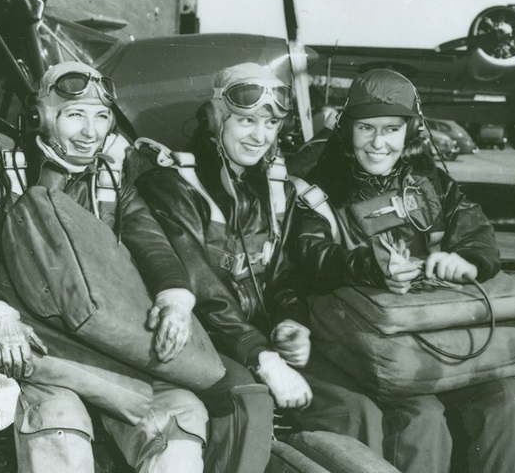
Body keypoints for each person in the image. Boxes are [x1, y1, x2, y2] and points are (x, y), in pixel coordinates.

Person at [0, 61, 208, 473]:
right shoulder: (3, 171)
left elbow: (151, 241)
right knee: (59, 419)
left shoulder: (111, 180)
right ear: (41, 118)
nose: (91, 132)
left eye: (102, 117)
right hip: (32, 346)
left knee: (181, 415)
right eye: (75, 115)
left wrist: (175, 298)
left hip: (106, 351)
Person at [136, 63, 388, 469]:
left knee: (357, 410)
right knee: (249, 406)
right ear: (216, 118)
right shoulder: (173, 184)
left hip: (260, 342)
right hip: (206, 341)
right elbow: (201, 285)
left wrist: (290, 321)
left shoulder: (273, 191)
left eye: (270, 123)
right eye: (247, 121)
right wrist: (263, 359)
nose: (260, 135)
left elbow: (282, 272)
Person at [282, 68, 515, 473]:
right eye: (366, 128)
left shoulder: (431, 184)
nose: (379, 143)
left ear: (410, 131)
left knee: (511, 399)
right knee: (421, 416)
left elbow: (476, 230)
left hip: (439, 342)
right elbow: (312, 254)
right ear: (347, 129)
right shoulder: (319, 188)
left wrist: (467, 259)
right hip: (366, 346)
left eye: (391, 129)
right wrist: (373, 266)